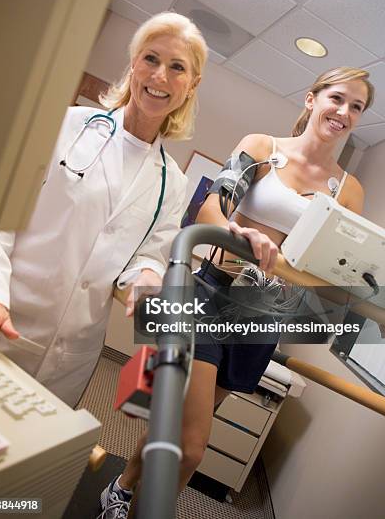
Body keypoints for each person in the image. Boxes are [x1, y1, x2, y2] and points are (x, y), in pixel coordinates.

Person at [99, 66, 374, 518]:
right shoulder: (262, 149)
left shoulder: (349, 191)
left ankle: (124, 485)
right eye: (337, 98)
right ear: (311, 100)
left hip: (263, 317)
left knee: (183, 423)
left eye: (356, 107)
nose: (344, 111)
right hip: (209, 295)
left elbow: (335, 268)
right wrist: (239, 236)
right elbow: (211, 209)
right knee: (191, 447)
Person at [0, 11, 208, 408]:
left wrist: (148, 280)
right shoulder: (64, 125)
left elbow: (146, 256)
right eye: (151, 59)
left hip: (73, 353)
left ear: (191, 85)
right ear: (133, 63)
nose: (160, 77)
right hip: (1, 317)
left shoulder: (173, 182)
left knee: (29, 456)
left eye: (177, 68)